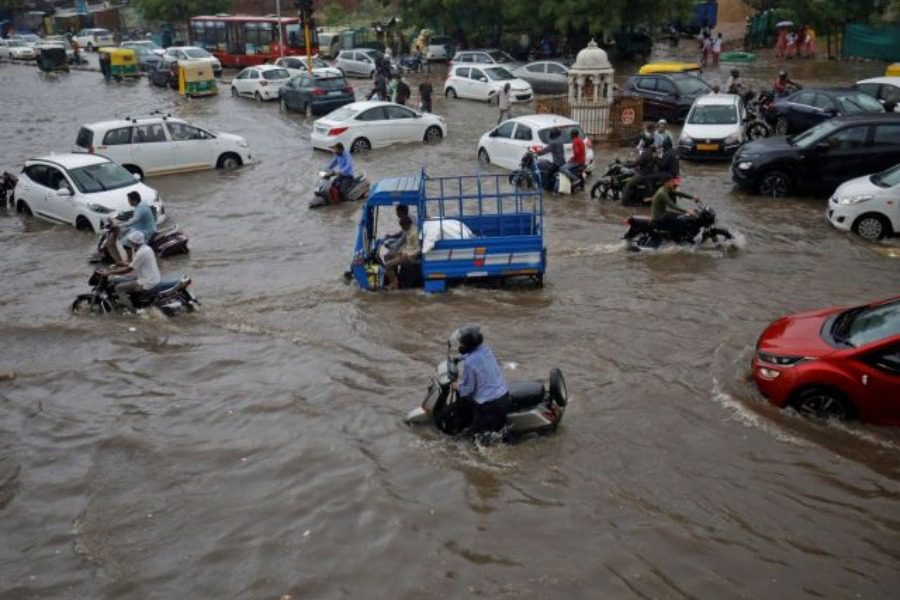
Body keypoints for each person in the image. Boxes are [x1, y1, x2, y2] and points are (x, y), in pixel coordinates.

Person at [451, 325, 510, 435]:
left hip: (489, 405)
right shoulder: (487, 350)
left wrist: (457, 386)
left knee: (477, 437)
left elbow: (468, 389)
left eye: (462, 343)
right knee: (498, 432)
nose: (460, 346)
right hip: (503, 397)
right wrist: (459, 358)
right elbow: (475, 355)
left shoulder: (470, 363)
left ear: (468, 345)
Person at [105, 231, 161, 310]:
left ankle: (132, 311)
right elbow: (134, 263)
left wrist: (110, 272)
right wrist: (121, 264)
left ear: (134, 243)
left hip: (147, 282)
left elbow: (129, 269)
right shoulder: (147, 248)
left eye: (130, 242)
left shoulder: (141, 253)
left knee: (118, 288)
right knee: (129, 278)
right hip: (153, 278)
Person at [108, 190, 156, 263]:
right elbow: (134, 219)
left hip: (146, 230)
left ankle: (130, 260)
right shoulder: (140, 206)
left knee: (125, 242)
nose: (128, 202)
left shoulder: (142, 209)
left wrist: (120, 225)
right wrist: (121, 222)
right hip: (140, 227)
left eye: (129, 200)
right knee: (124, 233)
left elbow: (134, 220)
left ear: (134, 200)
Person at [383, 213, 419, 289]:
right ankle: (394, 277)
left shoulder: (415, 233)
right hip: (404, 253)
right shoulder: (407, 230)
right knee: (387, 256)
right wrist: (401, 251)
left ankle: (395, 284)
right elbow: (407, 245)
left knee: (387, 265)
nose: (402, 229)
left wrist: (408, 255)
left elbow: (418, 249)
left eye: (402, 227)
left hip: (410, 257)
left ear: (406, 225)